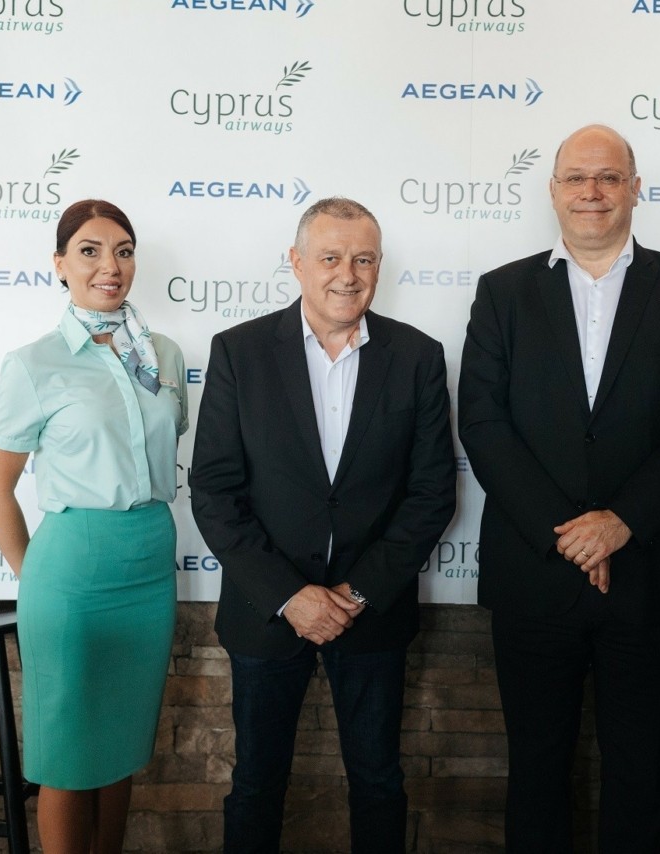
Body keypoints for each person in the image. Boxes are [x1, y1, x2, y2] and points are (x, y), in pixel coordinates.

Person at [459, 124, 660, 852]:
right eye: (577, 177)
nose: (592, 191)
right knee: (536, 769)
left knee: (640, 771)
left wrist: (620, 523)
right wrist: (570, 533)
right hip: (534, 573)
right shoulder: (502, 291)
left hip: (649, 572)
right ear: (553, 191)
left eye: (609, 177)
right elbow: (482, 424)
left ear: (635, 189)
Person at [190, 197, 457, 854]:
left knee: (379, 782)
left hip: (373, 612)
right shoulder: (239, 352)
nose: (348, 274)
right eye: (331, 257)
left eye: (363, 259)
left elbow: (431, 494)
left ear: (379, 265)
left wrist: (357, 593)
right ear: (297, 262)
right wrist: (290, 595)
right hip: (266, 612)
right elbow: (215, 492)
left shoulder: (418, 356)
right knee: (256, 785)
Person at [0, 199, 188, 854]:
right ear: (60, 264)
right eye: (91, 251)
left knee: (120, 746)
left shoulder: (164, 355)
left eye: (123, 251)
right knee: (68, 752)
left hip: (149, 560)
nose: (110, 266)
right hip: (71, 569)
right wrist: (37, 579)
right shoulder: (33, 364)